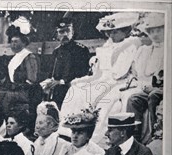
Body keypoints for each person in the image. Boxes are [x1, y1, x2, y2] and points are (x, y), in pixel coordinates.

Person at [60, 12, 140, 147]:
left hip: (121, 80)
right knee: (76, 89)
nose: (110, 35)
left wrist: (104, 81)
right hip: (104, 78)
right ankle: (70, 130)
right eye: (108, 32)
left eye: (115, 32)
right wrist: (85, 80)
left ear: (125, 31)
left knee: (106, 100)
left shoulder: (130, 45)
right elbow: (99, 73)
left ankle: (97, 138)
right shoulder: (107, 46)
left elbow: (119, 73)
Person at [126, 13, 165, 144]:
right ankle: (133, 136)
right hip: (149, 87)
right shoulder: (146, 50)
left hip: (164, 89)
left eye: (158, 30)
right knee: (133, 99)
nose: (154, 34)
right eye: (151, 31)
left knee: (154, 95)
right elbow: (140, 73)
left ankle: (156, 132)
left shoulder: (168, 49)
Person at [40, 18, 91, 108]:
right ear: (57, 35)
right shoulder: (56, 52)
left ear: (73, 32)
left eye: (67, 31)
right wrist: (48, 83)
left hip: (75, 88)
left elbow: (84, 73)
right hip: (58, 90)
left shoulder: (81, 50)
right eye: (61, 32)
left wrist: (62, 81)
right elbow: (52, 73)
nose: (65, 34)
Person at [0, 19, 41, 116]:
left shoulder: (29, 57)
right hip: (16, 90)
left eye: (16, 41)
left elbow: (32, 80)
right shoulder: (14, 58)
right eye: (12, 41)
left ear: (23, 43)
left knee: (6, 96)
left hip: (27, 93)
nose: (13, 44)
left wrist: (15, 90)